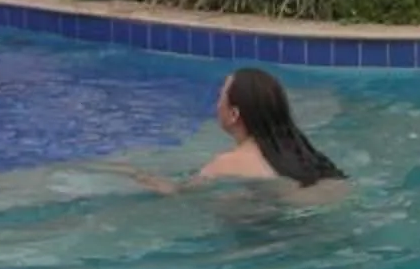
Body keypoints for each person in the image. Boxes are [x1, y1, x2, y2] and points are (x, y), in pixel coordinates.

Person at [129, 68, 346, 191]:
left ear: (234, 114)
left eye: (220, 97)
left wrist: (136, 176)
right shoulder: (309, 157)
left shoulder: (227, 164)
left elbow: (179, 192)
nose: (216, 105)